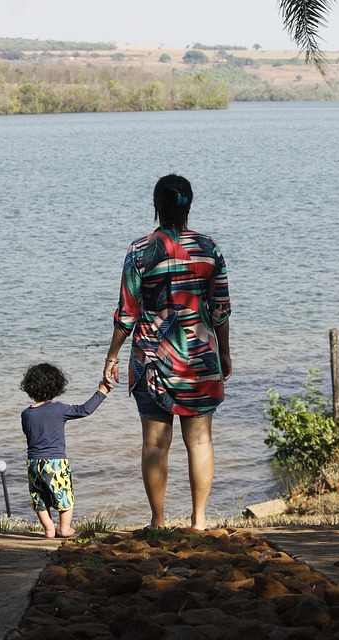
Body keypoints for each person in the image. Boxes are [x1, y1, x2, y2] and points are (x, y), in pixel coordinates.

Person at [103, 174, 231, 531]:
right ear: (189, 205)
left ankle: (158, 522)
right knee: (201, 440)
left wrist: (111, 357)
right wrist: (224, 354)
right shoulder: (209, 248)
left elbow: (126, 313)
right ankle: (199, 521)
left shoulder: (139, 251)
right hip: (200, 357)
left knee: (155, 444)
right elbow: (220, 308)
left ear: (156, 207)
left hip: (152, 358)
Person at [20, 362, 110, 538]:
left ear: (29, 387)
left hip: (33, 462)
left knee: (39, 496)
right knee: (64, 495)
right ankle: (65, 528)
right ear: (57, 386)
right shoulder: (59, 409)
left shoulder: (26, 413)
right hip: (55, 461)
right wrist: (102, 391)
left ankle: (48, 529)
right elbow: (84, 410)